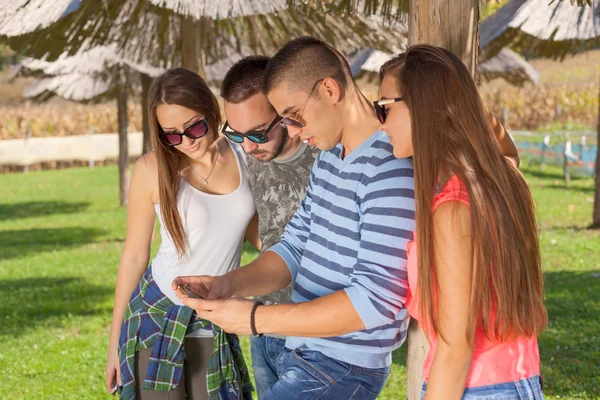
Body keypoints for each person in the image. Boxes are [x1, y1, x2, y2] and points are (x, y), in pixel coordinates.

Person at [173, 36, 416, 400]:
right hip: (308, 355)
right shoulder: (331, 158)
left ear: (330, 90)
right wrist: (227, 285)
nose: (293, 131)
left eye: (294, 116)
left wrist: (255, 319)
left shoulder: (389, 167)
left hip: (343, 366)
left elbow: (376, 301)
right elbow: (294, 246)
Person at [378, 44, 546, 399]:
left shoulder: (453, 210)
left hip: (478, 389)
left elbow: (456, 350)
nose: (383, 125)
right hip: (515, 381)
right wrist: (458, 102)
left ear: (423, 106)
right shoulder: (500, 180)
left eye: (385, 108)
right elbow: (506, 148)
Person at [104, 68, 256, 400]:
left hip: (213, 315)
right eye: (171, 135)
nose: (186, 142)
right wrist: (115, 341)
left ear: (211, 110)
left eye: (195, 127)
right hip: (156, 312)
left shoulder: (245, 154)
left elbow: (262, 237)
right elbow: (134, 256)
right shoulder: (151, 169)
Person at [220, 55, 320, 399]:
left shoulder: (323, 155)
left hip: (316, 333)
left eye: (258, 133)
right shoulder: (247, 153)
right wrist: (268, 242)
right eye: (236, 134)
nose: (247, 146)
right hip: (261, 324)